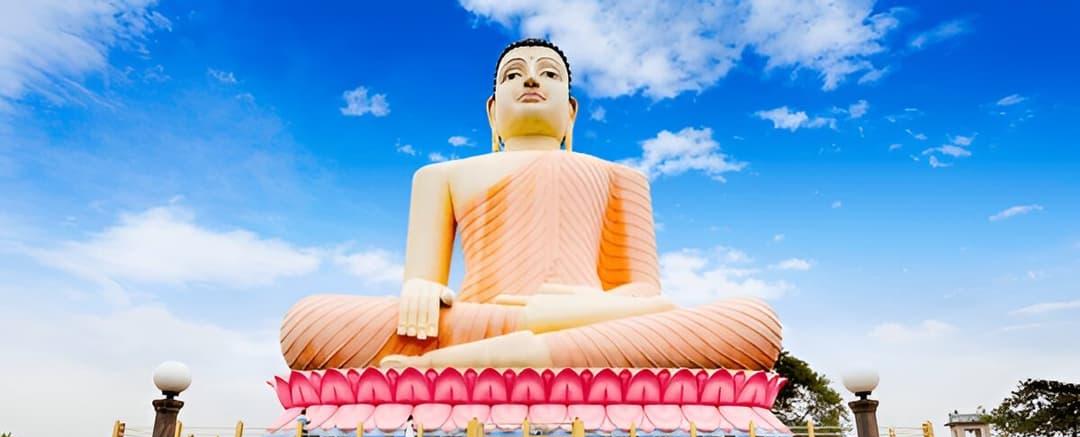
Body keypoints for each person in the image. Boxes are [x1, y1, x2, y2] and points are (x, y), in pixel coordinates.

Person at [280, 38, 781, 372]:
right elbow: (425, 283)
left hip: (596, 318)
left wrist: (576, 310)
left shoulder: (620, 176)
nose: (531, 80)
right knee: (309, 322)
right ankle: (502, 354)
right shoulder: (440, 176)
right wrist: (420, 287)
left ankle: (440, 371)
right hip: (478, 319)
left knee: (753, 323)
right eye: (514, 74)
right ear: (493, 112)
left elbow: (645, 294)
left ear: (571, 111)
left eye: (549, 74)